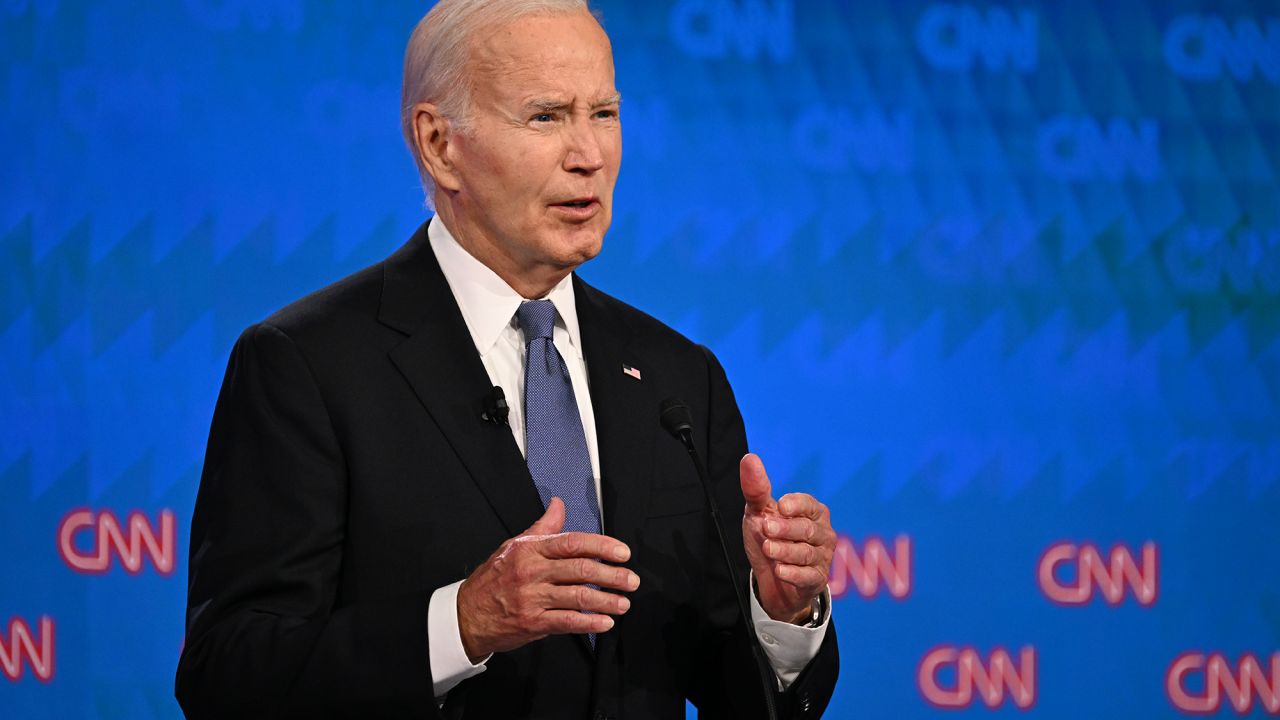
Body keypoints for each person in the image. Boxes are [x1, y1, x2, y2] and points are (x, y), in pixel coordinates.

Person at [174, 1, 839, 717]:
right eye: (547, 117)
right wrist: (462, 623)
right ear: (438, 144)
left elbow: (735, 692)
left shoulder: (679, 379)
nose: (588, 153)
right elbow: (229, 676)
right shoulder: (307, 367)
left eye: (604, 114)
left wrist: (780, 612)